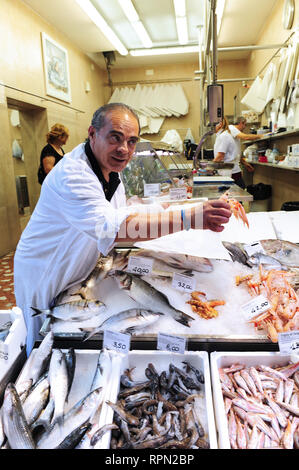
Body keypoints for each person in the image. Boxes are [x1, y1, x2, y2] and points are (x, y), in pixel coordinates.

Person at [14, 103, 232, 354]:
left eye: (131, 141)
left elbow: (123, 214)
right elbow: (113, 230)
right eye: (115, 138)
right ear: (92, 134)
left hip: (77, 267)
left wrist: (169, 210)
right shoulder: (73, 174)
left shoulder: (111, 174)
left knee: (66, 335)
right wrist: (188, 217)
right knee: (44, 340)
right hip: (46, 270)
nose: (124, 149)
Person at [229, 116, 264, 189]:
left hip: (234, 168)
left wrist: (245, 164)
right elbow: (246, 137)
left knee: (239, 189)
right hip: (231, 169)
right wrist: (261, 136)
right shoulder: (232, 128)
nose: (244, 127)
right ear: (241, 123)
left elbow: (235, 153)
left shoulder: (234, 133)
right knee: (239, 189)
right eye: (245, 125)